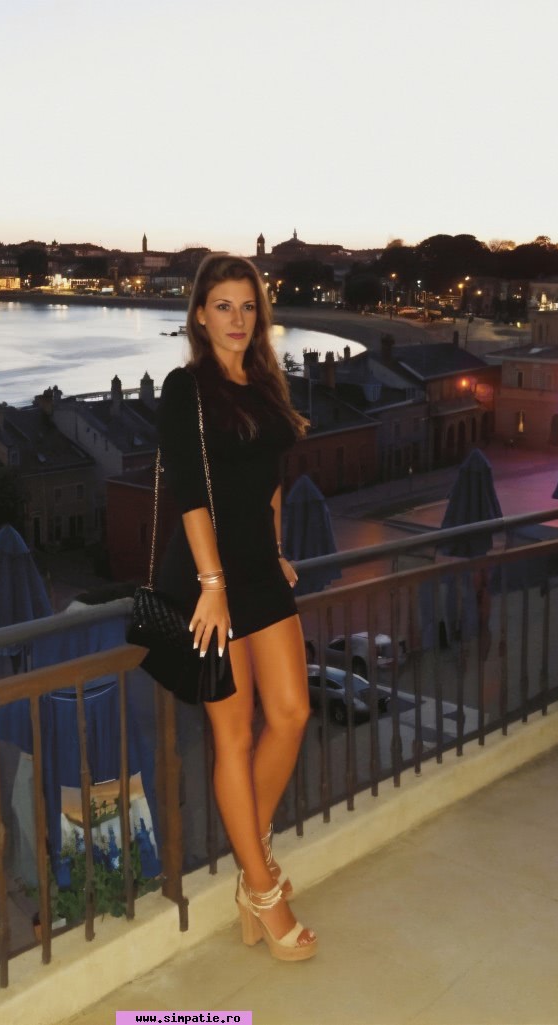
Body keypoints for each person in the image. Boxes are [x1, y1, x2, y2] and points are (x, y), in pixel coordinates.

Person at [155, 254, 317, 961]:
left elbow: (269, 478)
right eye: (222, 305)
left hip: (258, 569)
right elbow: (190, 490)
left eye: (247, 306)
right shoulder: (185, 388)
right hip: (207, 580)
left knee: (292, 713)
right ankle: (263, 888)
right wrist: (212, 583)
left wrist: (274, 547)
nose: (237, 318)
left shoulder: (266, 382)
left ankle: (252, 862)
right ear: (199, 314)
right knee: (234, 736)